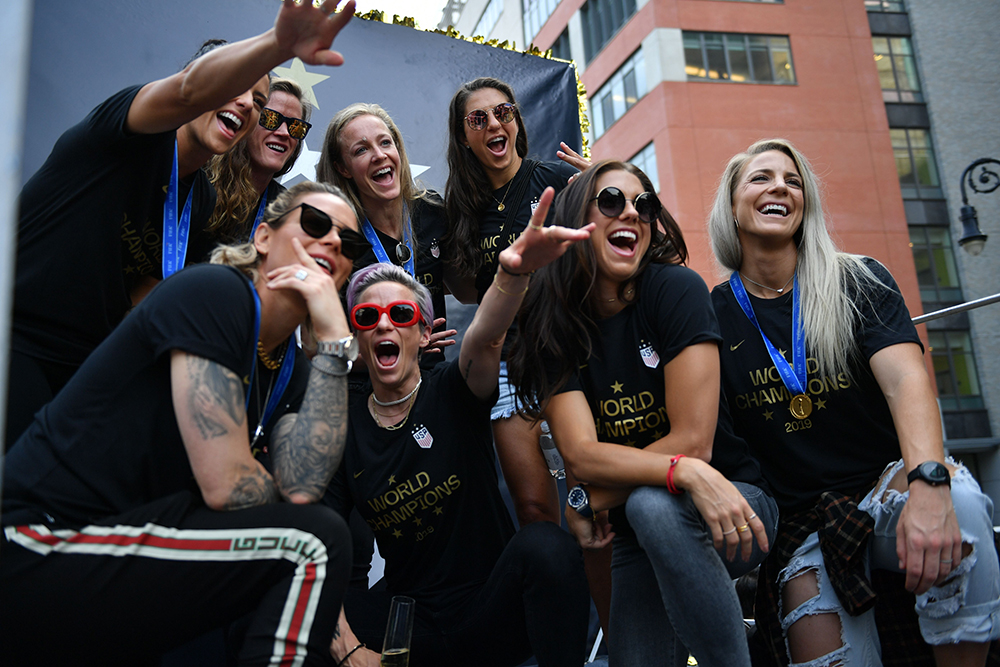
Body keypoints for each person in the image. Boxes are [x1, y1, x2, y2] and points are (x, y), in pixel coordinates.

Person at [1, 181, 370, 664]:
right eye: (316, 224)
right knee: (315, 545)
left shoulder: (295, 370)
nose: (335, 242)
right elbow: (228, 488)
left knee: (301, 540)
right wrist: (265, 487)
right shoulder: (215, 293)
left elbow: (300, 489)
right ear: (262, 237)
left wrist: (335, 348)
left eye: (351, 242)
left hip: (129, 547)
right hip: (39, 541)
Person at [6, 0, 356, 449]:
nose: (247, 104)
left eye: (258, 100)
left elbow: (146, 299)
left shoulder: (201, 200)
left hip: (84, 368)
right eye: (236, 86)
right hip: (17, 334)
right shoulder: (125, 133)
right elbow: (190, 91)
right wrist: (277, 45)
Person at [707, 138, 1000, 666]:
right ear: (731, 206)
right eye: (760, 178)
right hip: (804, 522)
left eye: (793, 181)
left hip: (884, 487)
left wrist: (929, 487)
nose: (779, 187)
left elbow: (907, 383)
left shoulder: (858, 280)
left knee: (962, 503)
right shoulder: (711, 314)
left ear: (805, 205)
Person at [508, 160, 776, 666]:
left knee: (651, 505)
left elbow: (694, 443)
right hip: (635, 530)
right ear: (578, 218)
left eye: (644, 204)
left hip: (733, 504)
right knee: (646, 512)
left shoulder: (674, 289)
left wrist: (590, 498)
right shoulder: (552, 325)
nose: (632, 212)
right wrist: (601, 486)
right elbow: (582, 457)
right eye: (611, 201)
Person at [321, 187, 592, 667]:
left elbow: (486, 337)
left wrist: (513, 272)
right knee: (309, 618)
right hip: (411, 627)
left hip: (491, 611)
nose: (384, 326)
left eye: (401, 314)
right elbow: (315, 541)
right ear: (355, 335)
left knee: (546, 546)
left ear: (425, 333)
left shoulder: (452, 389)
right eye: (368, 316)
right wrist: (348, 649)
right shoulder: (342, 428)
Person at [443, 76, 580, 531]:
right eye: (477, 119)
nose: (493, 125)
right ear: (464, 137)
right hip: (508, 362)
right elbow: (466, 291)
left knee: (590, 501)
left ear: (516, 121)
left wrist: (601, 183)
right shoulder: (462, 204)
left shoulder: (558, 180)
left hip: (568, 352)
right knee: (534, 512)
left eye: (502, 113)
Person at [317, 102, 455, 372]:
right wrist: (396, 349)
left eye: (385, 143)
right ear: (343, 168)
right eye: (361, 150)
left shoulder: (432, 212)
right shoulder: (335, 239)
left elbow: (468, 287)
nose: (379, 155)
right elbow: (319, 347)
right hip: (365, 393)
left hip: (430, 381)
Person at [206, 77, 313, 244]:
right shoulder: (199, 178)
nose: (284, 132)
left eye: (295, 127)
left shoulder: (288, 212)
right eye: (270, 118)